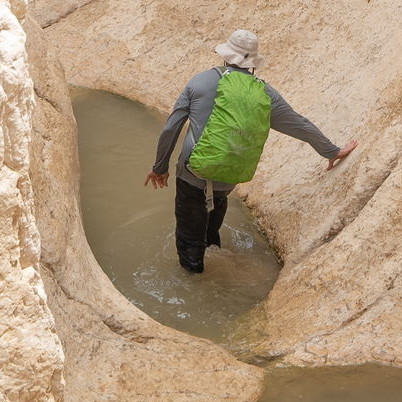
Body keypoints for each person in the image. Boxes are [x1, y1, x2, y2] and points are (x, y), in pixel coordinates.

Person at [145, 28, 356, 273]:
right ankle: (216, 267)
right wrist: (331, 151)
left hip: (192, 176)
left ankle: (195, 285)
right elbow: (300, 125)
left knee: (190, 242)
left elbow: (170, 129)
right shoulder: (265, 93)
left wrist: (160, 167)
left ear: (225, 55)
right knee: (211, 234)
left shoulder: (200, 82)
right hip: (227, 181)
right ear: (252, 62)